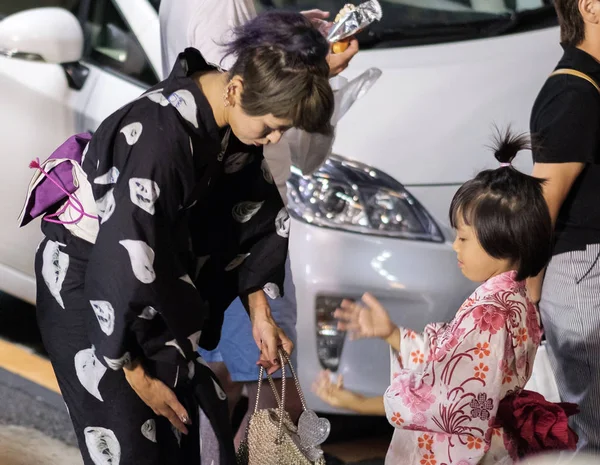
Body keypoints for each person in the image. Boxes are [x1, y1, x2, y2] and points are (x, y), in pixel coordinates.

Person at [30, 11, 334, 465]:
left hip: (151, 280)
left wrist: (260, 313)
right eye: (271, 126)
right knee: (131, 448)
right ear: (235, 89)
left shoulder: (228, 123)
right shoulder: (159, 138)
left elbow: (249, 217)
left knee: (180, 439)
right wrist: (134, 374)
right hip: (91, 283)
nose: (274, 139)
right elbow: (122, 258)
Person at [159, 0, 359, 448]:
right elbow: (259, 115)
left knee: (220, 378)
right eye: (272, 126)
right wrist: (315, 72)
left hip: (227, 227)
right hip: (242, 226)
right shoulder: (223, 9)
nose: (272, 133)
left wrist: (285, 37)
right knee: (269, 390)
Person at [321, 130, 556, 464]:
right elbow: (449, 361)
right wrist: (393, 334)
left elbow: (447, 400)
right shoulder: (517, 301)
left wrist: (359, 403)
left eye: (463, 238)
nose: (455, 247)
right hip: (496, 443)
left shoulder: (488, 313)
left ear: (501, 240)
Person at [528, 0, 600, 452]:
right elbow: (543, 205)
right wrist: (526, 299)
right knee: (594, 434)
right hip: (583, 278)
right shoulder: (572, 92)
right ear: (591, 8)